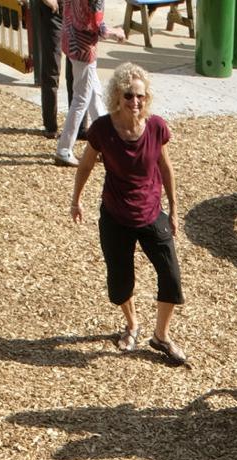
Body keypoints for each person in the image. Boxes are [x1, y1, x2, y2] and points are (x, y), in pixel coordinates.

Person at [70, 64, 186, 364]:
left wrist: (173, 208)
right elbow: (85, 166)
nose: (136, 102)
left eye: (141, 96)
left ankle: (161, 336)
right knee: (120, 282)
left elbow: (166, 168)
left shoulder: (156, 127)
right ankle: (132, 323)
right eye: (129, 96)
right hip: (116, 215)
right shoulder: (103, 129)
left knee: (171, 277)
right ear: (117, 97)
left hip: (150, 212)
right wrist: (76, 199)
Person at [54, 0, 122, 167]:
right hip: (83, 47)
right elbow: (99, 27)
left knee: (94, 94)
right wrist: (117, 32)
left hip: (69, 38)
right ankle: (64, 149)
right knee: (81, 99)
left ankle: (107, 145)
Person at [33, 0, 75, 140]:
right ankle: (50, 125)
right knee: (52, 68)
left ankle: (78, 126)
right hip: (54, 10)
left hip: (76, 11)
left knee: (77, 70)